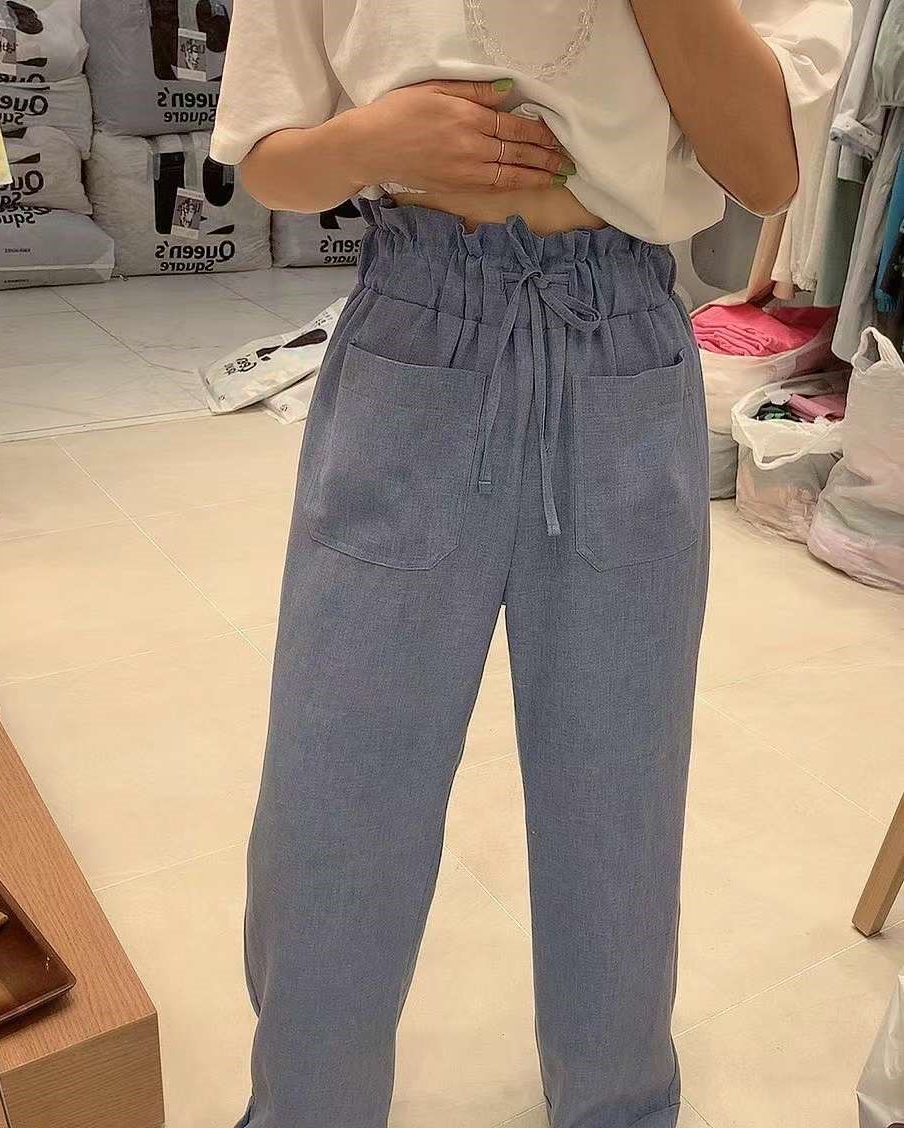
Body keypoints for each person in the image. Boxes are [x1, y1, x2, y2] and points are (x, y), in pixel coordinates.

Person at [209, 4, 851, 1126]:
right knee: (335, 788)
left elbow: (765, 173)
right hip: (415, 330)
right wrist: (369, 143)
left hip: (620, 342)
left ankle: (619, 1105)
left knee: (616, 793)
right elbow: (266, 158)